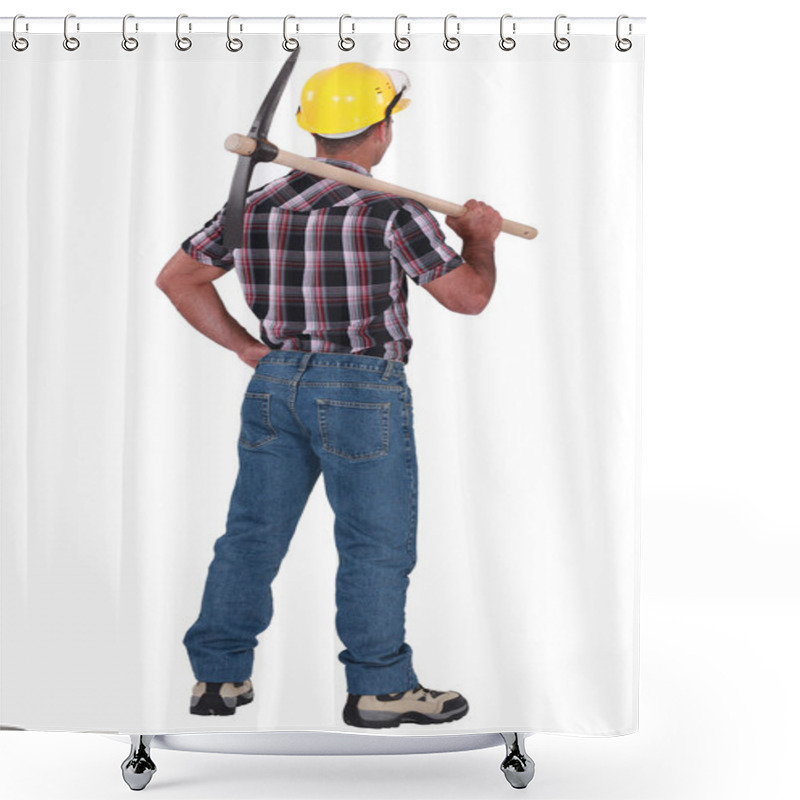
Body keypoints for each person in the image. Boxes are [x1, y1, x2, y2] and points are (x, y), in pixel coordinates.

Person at [156, 62, 502, 728]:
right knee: (377, 543)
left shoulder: (252, 205)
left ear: (311, 132)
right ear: (382, 128)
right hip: (361, 390)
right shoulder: (395, 207)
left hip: (275, 384)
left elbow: (178, 280)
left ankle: (218, 680)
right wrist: (479, 242)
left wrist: (244, 347)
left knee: (250, 538)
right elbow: (469, 299)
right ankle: (380, 688)